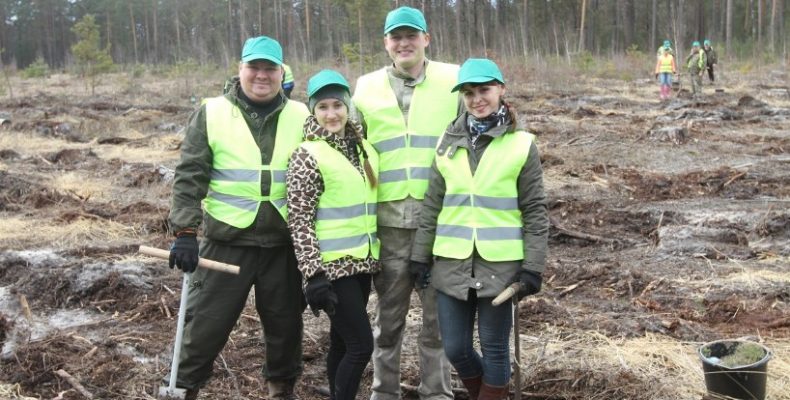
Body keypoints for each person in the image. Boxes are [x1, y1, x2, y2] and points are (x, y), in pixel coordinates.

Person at [166, 35, 310, 400]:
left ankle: (281, 388)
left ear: (281, 72)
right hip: (226, 242)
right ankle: (184, 388)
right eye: (254, 67)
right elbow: (190, 174)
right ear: (240, 69)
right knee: (205, 326)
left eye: (269, 69)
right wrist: (185, 231)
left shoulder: (303, 115)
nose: (261, 75)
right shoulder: (212, 112)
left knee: (285, 326)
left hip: (283, 244)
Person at [410, 58, 549, 400]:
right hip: (451, 262)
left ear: (501, 89)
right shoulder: (447, 142)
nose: (477, 99)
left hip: (500, 266)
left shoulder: (521, 144)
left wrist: (532, 267)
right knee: (456, 348)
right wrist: (419, 257)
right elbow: (432, 205)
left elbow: (534, 211)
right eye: (469, 93)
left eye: (484, 90)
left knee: (495, 348)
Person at [351, 6, 462, 400]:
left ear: (426, 39)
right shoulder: (364, 87)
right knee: (389, 318)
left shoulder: (453, 79)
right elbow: (349, 145)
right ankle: (385, 392)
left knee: (437, 319)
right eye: (395, 37)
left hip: (441, 221)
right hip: (390, 223)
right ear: (386, 44)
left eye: (411, 35)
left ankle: (437, 392)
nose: (403, 43)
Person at [285, 69, 380, 400]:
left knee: (342, 343)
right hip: (331, 268)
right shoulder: (306, 155)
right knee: (361, 345)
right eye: (322, 106)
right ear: (312, 110)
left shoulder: (364, 148)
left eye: (337, 105)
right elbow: (299, 220)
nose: (331, 114)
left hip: (362, 263)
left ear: (348, 107)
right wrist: (313, 274)